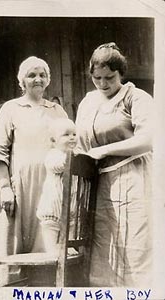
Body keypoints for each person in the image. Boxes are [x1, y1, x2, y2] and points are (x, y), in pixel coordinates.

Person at [0, 56, 68, 285]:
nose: (37, 79)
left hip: (49, 190)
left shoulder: (57, 111)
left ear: (48, 79)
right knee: (13, 254)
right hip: (18, 189)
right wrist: (4, 188)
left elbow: (69, 144)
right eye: (31, 75)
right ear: (22, 81)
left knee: (46, 251)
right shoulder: (11, 109)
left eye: (42, 74)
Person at [75, 42, 153, 287]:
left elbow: (148, 140)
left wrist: (105, 150)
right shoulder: (88, 101)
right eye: (97, 77)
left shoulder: (135, 97)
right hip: (100, 184)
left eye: (109, 77)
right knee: (104, 246)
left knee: (135, 245)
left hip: (133, 177)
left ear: (121, 73)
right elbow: (80, 141)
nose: (103, 83)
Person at [36, 118, 77, 255]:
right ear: (54, 141)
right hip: (53, 205)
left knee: (72, 224)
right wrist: (72, 157)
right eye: (66, 135)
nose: (72, 138)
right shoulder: (54, 155)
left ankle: (68, 245)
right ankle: (52, 251)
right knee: (50, 227)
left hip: (70, 204)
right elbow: (59, 166)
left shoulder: (73, 155)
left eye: (74, 134)